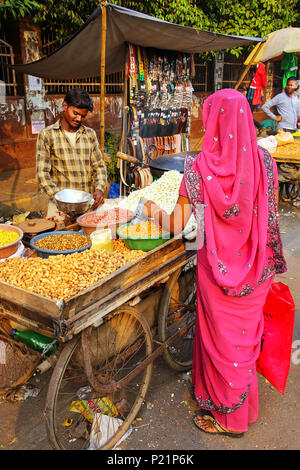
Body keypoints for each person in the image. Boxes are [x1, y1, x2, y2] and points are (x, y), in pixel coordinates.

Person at [143, 89, 287, 437]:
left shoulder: (199, 167)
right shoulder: (265, 162)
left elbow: (179, 224)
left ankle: (230, 420)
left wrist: (147, 208)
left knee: (221, 341)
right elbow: (269, 214)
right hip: (255, 267)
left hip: (217, 268)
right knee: (240, 340)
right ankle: (238, 405)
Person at [36, 88, 107, 213]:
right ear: (64, 106)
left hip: (87, 205)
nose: (79, 119)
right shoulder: (47, 135)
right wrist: (60, 199)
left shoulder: (89, 134)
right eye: (75, 113)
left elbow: (99, 166)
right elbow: (42, 174)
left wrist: (100, 189)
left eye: (82, 116)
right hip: (59, 208)